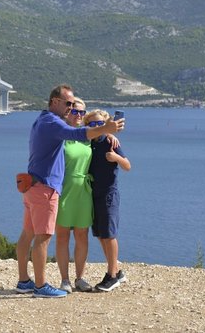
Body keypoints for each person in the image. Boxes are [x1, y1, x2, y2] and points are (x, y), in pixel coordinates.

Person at [15, 85, 124, 298]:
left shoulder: (42, 120)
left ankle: (24, 281)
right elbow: (77, 132)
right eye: (68, 104)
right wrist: (105, 128)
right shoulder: (52, 123)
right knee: (43, 237)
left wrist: (107, 136)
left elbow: (83, 136)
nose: (70, 107)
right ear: (54, 101)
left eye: (74, 104)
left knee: (28, 234)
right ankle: (40, 286)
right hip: (45, 188)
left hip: (34, 186)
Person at [85, 109, 131, 292]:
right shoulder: (88, 143)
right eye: (93, 124)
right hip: (92, 194)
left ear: (106, 124)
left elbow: (128, 166)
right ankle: (117, 271)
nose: (97, 127)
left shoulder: (110, 142)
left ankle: (112, 276)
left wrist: (116, 157)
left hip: (108, 194)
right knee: (100, 234)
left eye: (100, 124)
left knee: (109, 234)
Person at [54, 97, 94, 293]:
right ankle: (64, 280)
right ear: (67, 112)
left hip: (83, 191)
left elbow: (104, 136)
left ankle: (79, 278)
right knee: (62, 236)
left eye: (82, 112)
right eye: (75, 111)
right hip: (64, 190)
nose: (79, 115)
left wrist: (113, 136)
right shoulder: (61, 137)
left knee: (82, 235)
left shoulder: (88, 136)